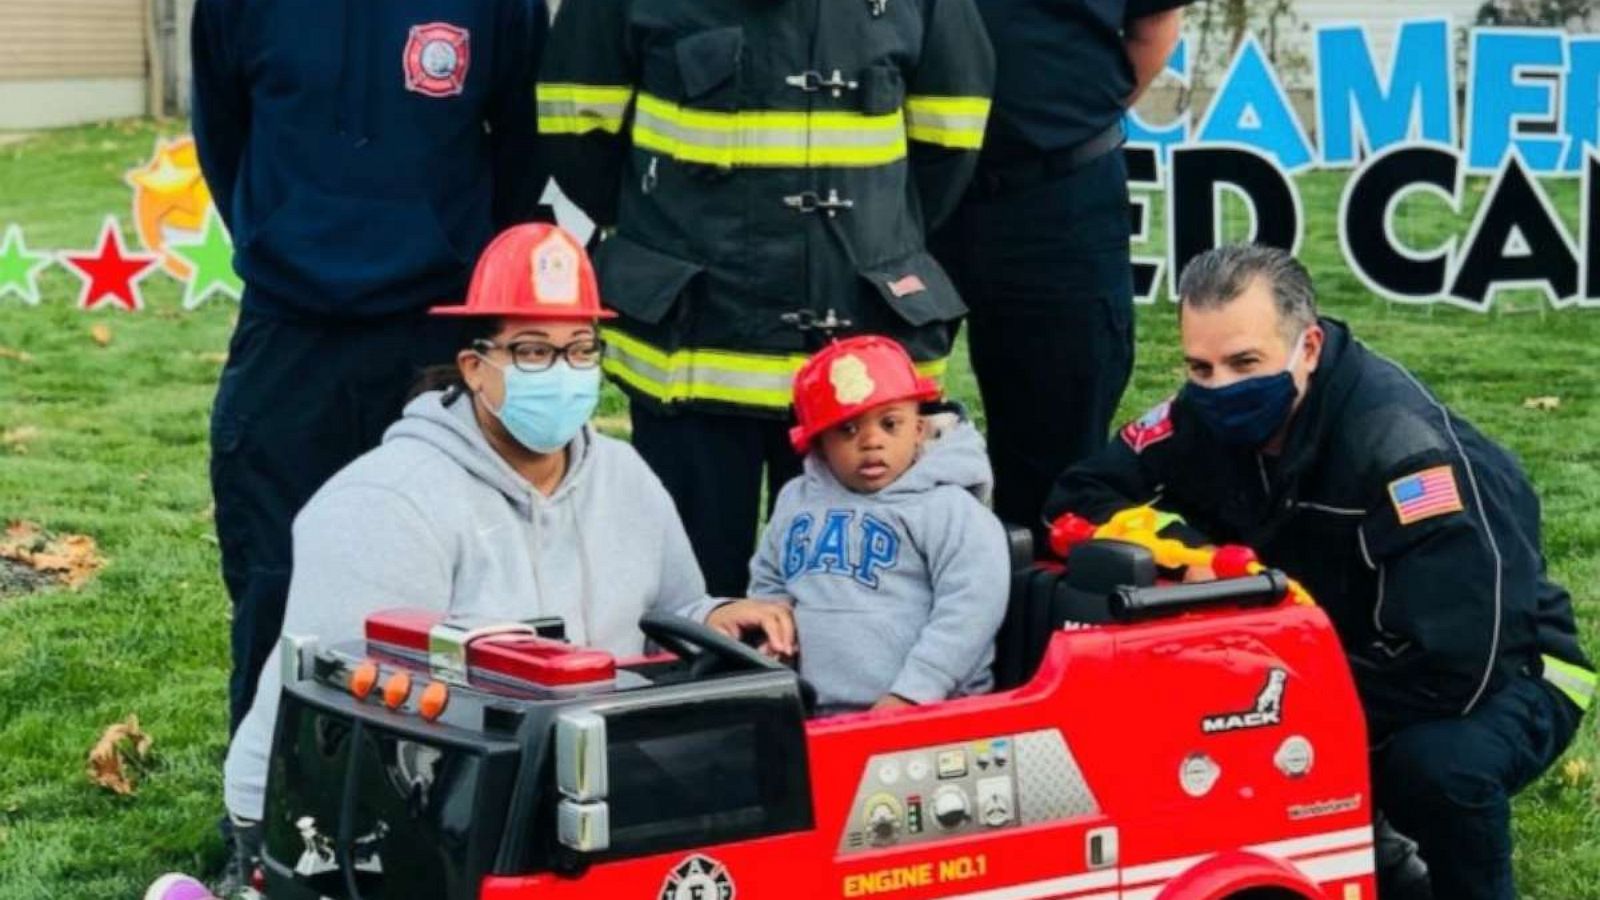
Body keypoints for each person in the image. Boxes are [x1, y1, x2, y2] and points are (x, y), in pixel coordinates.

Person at [1044, 244, 1595, 900]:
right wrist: (1197, 558)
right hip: (1321, 647)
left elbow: (1456, 661)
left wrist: (1288, 710)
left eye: (1244, 362)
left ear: (1306, 347)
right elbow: (1078, 498)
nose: (1219, 387)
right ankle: (1368, 856)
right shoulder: (1198, 413)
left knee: (1434, 768)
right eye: (1200, 366)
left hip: (1508, 670)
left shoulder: (1403, 452)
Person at [216, 224, 714, 893]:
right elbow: (345, 721)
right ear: (476, 365)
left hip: (568, 779)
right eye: (532, 352)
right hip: (404, 795)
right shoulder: (387, 500)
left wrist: (725, 614)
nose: (562, 373)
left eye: (580, 350)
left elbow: (675, 612)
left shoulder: (624, 475)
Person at [536, 0, 995, 597]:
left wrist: (870, 238)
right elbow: (576, 131)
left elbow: (948, 140)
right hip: (693, 347)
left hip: (854, 360)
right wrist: (665, 229)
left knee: (852, 599)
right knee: (688, 598)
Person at [190, 0, 548, 737]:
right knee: (274, 577)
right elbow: (221, 134)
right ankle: (268, 811)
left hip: (434, 332)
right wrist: (277, 238)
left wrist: (455, 260)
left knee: (450, 580)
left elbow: (523, 144)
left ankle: (439, 804)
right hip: (289, 327)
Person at [931, 0, 1191, 533]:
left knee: (1054, 466)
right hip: (910, 194)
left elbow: (1154, 25)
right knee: (871, 421)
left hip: (1056, 198)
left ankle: (1040, 607)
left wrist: (1068, 121)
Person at [709, 336, 1008, 714]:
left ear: (918, 428)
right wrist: (771, 636)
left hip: (929, 712)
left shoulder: (949, 508)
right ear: (818, 444)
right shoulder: (798, 501)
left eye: (890, 424)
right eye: (847, 430)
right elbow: (770, 580)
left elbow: (972, 609)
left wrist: (914, 692)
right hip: (815, 710)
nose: (871, 442)